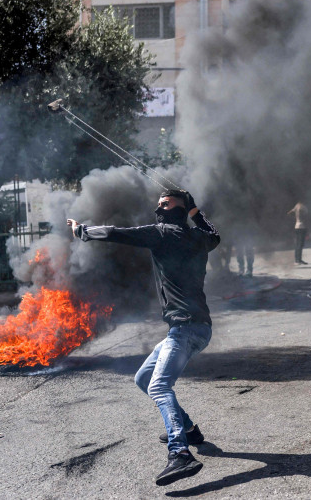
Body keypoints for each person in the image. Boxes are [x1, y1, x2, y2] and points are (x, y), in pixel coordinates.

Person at [67, 189, 219, 486]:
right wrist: (195, 211)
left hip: (185, 328)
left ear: (176, 210)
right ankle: (188, 430)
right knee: (143, 379)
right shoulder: (200, 237)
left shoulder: (161, 233)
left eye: (165, 203)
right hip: (197, 329)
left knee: (161, 386)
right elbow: (214, 233)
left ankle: (180, 454)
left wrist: (81, 230)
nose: (159, 207)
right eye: (159, 203)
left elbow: (116, 232)